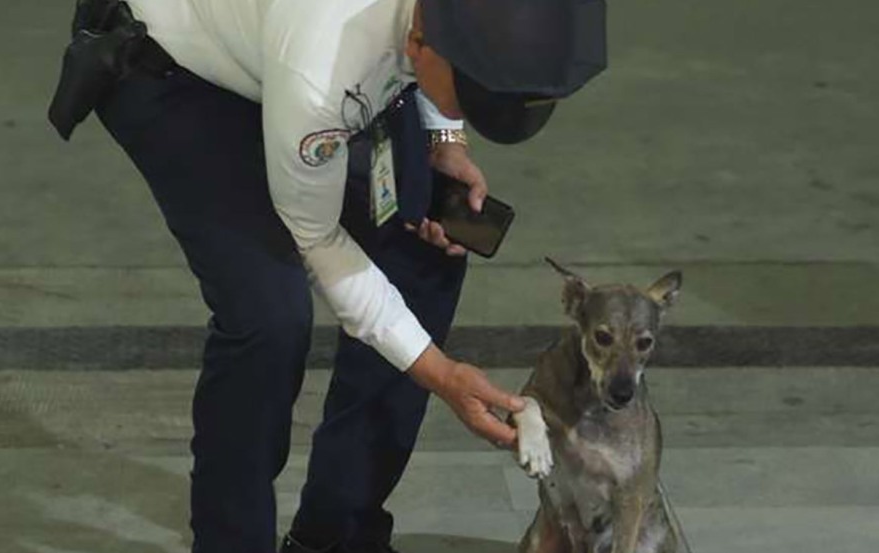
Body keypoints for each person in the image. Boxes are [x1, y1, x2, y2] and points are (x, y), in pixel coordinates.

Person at [49, 0, 606, 552]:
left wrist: (445, 139)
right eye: (464, 95)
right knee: (268, 316)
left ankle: (334, 534)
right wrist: (441, 374)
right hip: (174, 67)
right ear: (418, 46)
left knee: (424, 254)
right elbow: (317, 241)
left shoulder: (419, 36)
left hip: (296, 46)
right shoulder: (320, 70)